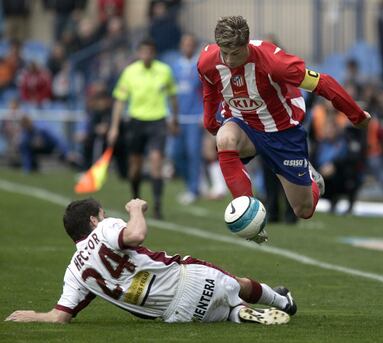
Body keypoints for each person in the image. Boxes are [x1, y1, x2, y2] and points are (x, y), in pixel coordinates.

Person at [197, 16, 371, 242]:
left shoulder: (274, 63)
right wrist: (210, 121)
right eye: (225, 53)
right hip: (242, 122)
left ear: (247, 44)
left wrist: (356, 115)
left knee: (303, 210)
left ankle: (313, 181)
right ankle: (249, 218)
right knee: (224, 139)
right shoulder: (207, 61)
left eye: (236, 53)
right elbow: (210, 89)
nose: (229, 60)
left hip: (282, 131)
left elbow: (322, 83)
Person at [5, 197, 296, 325]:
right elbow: (137, 234)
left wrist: (32, 315)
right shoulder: (105, 229)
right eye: (102, 215)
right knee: (239, 284)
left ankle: (238, 314)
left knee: (224, 311)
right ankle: (282, 301)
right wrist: (135, 209)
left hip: (177, 315)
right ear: (93, 220)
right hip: (187, 278)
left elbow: (60, 316)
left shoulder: (74, 273)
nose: (105, 219)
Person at [107, 38, 179, 219]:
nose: (146, 55)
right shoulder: (130, 72)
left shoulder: (164, 71)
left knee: (156, 162)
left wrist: (174, 119)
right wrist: (114, 127)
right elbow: (120, 101)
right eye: (143, 52)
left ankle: (157, 206)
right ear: (139, 53)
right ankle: (135, 200)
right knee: (136, 166)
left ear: (154, 53)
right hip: (136, 122)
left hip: (158, 121)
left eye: (150, 52)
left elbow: (172, 97)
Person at [169, 33, 204, 204]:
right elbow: (171, 93)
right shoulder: (174, 66)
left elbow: (208, 92)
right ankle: (192, 182)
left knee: (193, 153)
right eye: (184, 44)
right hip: (179, 117)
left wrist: (205, 114)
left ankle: (193, 189)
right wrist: (171, 115)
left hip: (194, 117)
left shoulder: (200, 65)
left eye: (190, 44)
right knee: (175, 154)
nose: (187, 47)